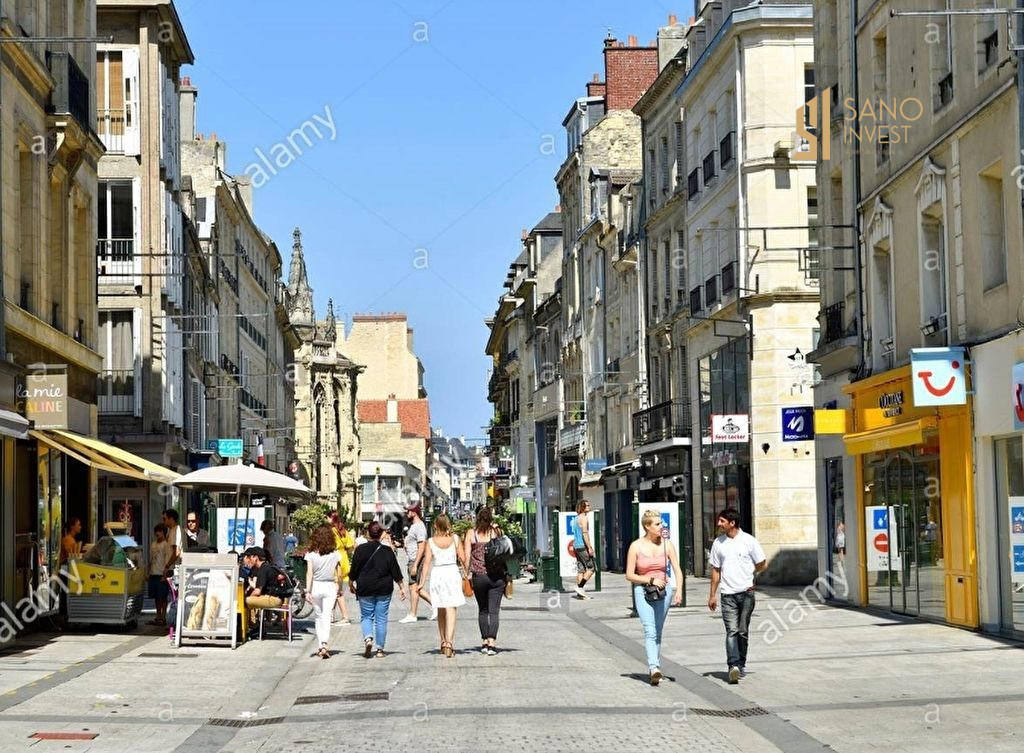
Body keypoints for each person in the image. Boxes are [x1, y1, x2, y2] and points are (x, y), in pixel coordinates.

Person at [708, 507, 767, 685]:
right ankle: (733, 665)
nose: (719, 524)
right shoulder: (718, 543)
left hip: (747, 593)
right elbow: (716, 571)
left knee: (742, 631)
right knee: (731, 631)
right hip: (727, 595)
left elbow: (762, 563)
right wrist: (712, 595)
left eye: (722, 521)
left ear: (732, 523)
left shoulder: (749, 541)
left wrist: (750, 573)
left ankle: (741, 663)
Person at [625, 510, 684, 685]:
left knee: (657, 631)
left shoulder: (667, 545)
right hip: (642, 591)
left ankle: (655, 668)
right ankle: (654, 667)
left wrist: (679, 590)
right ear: (647, 526)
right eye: (658, 524)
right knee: (650, 630)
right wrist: (650, 579)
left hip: (663, 593)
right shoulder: (636, 546)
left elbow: (677, 570)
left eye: (661, 523)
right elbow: (629, 574)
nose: (661, 526)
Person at [349, 521, 406, 658]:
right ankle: (380, 650)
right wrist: (402, 587)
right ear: (381, 534)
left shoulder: (360, 550)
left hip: (365, 587)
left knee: (366, 616)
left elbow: (354, 568)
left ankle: (368, 638)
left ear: (368, 533)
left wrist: (351, 582)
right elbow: (395, 571)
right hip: (384, 588)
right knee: (381, 618)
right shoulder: (387, 551)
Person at [420, 513, 467, 657]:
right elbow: (463, 558)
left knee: (440, 608)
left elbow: (427, 563)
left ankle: (442, 641)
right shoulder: (455, 539)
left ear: (435, 525)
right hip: (452, 572)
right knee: (451, 608)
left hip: (438, 574)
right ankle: (450, 642)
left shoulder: (431, 541)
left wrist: (421, 582)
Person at [462, 506, 506, 655]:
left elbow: (467, 557)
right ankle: (492, 643)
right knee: (494, 612)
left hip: (479, 577)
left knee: (483, 610)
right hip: (497, 577)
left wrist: (466, 573)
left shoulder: (471, 534)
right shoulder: (496, 532)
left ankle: (484, 642)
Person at [304, 526, 341, 659]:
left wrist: (307, 591)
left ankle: (321, 645)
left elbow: (309, 573)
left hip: (316, 587)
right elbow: (339, 573)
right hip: (330, 585)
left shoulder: (311, 554)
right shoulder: (335, 554)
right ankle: (324, 643)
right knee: (326, 616)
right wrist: (339, 586)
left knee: (318, 617)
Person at [399, 502, 435, 623]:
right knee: (415, 587)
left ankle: (414, 613)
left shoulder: (419, 526)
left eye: (408, 511)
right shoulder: (414, 526)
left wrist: (415, 564)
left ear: (414, 512)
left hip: (415, 560)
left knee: (414, 587)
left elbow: (422, 546)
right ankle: (431, 607)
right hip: (412, 559)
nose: (406, 513)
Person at [327, 512, 354, 625]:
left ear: (331, 519)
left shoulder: (331, 531)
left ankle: (344, 616)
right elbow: (351, 546)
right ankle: (331, 616)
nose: (326, 519)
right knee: (335, 589)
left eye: (327, 517)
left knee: (337, 591)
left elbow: (328, 545)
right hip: (344, 560)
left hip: (335, 560)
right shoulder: (343, 531)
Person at [243, 547, 286, 611]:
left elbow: (257, 592)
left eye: (249, 557)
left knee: (245, 601)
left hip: (274, 599)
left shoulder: (263, 569)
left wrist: (250, 597)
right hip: (278, 598)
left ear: (255, 557)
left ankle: (248, 620)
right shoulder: (267, 566)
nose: (249, 559)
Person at [148, 524, 172, 626]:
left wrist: (165, 575)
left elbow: (167, 559)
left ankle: (163, 617)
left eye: (160, 531)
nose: (158, 533)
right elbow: (150, 559)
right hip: (153, 573)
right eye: (156, 531)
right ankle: (158, 616)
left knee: (163, 596)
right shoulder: (153, 544)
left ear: (164, 532)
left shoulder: (166, 545)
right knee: (156, 597)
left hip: (162, 574)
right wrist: (148, 572)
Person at [572, 501, 596, 599]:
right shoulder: (584, 518)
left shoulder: (576, 518)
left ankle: (580, 595)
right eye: (587, 505)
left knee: (581, 569)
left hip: (576, 545)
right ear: (582, 507)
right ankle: (580, 587)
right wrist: (589, 547)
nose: (589, 507)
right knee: (591, 568)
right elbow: (585, 533)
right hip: (582, 546)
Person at [161, 509, 182, 574]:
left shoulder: (174, 531)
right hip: (173, 567)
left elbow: (176, 552)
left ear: (171, 519)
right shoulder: (172, 530)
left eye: (165, 519)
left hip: (172, 569)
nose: (163, 521)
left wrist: (167, 566)